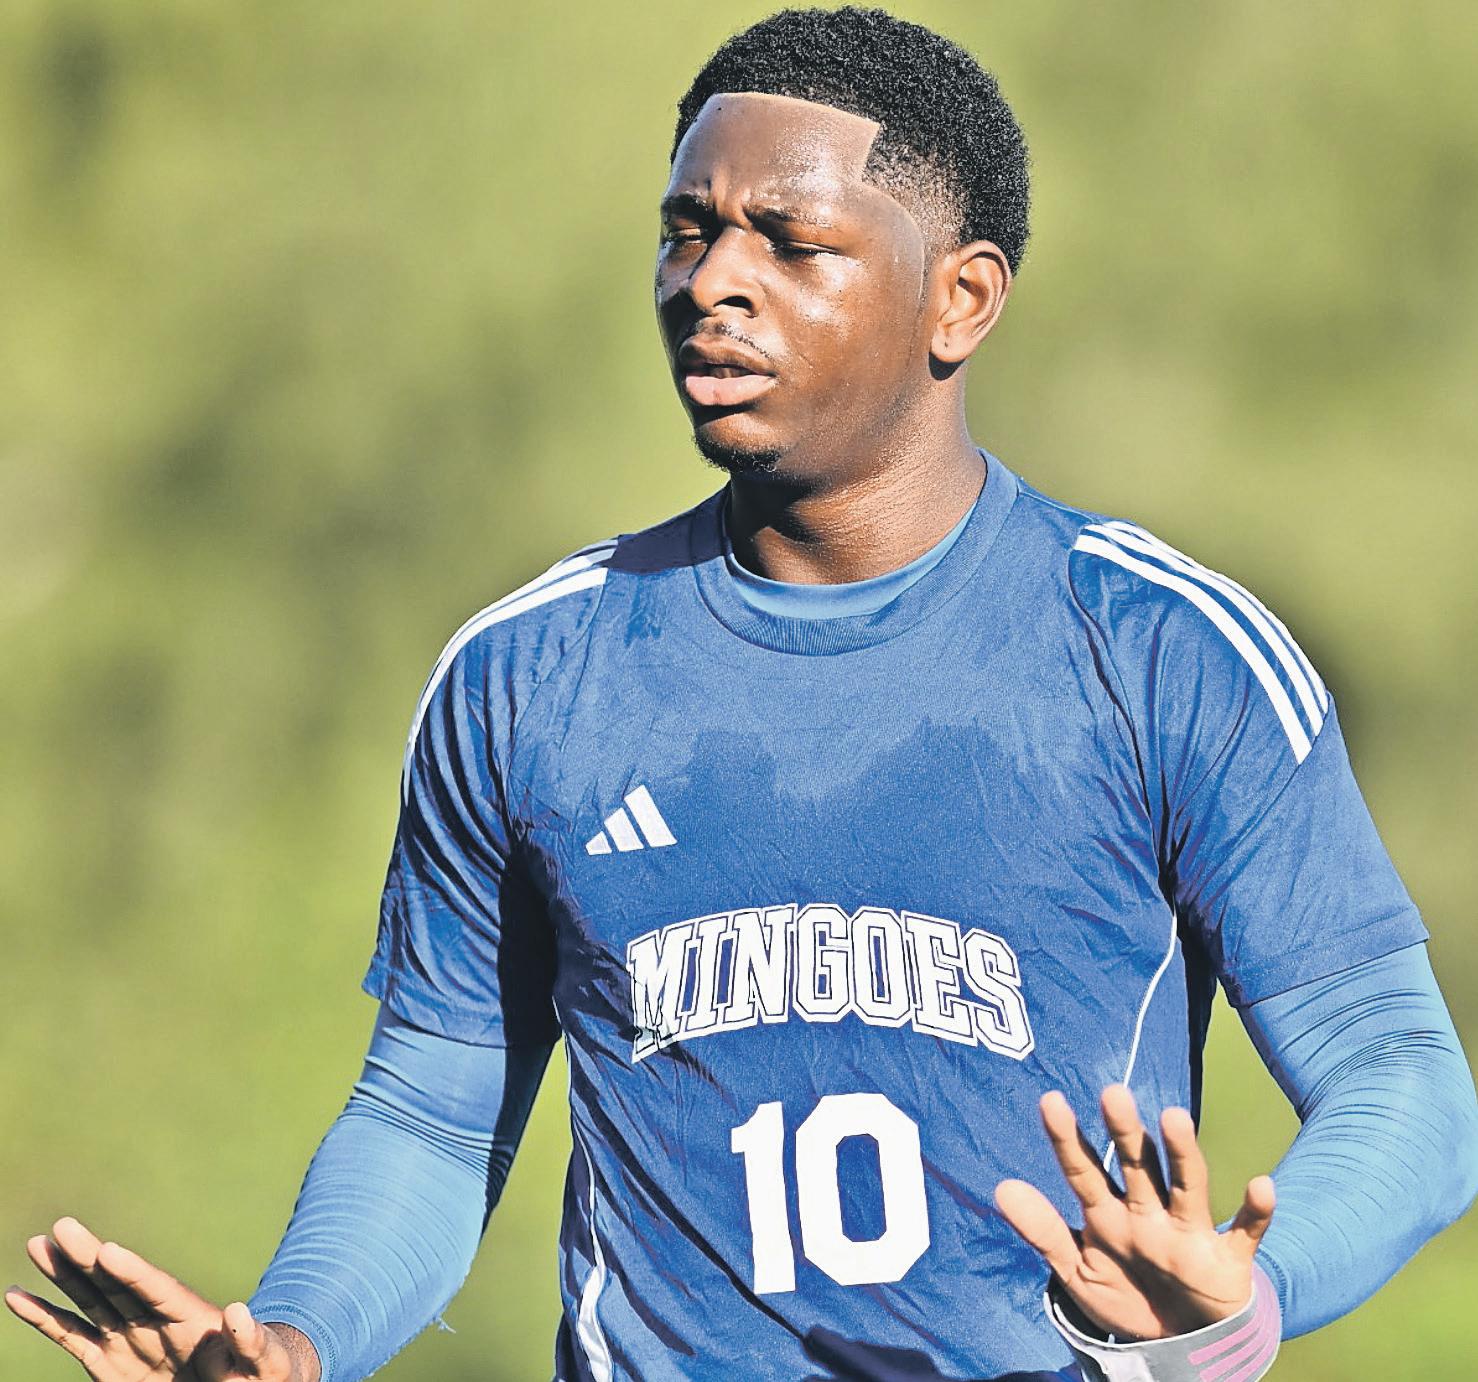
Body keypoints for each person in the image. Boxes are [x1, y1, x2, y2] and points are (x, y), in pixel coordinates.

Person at [8, 8, 1477, 1381]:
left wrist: (1243, 1294)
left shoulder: (1159, 650)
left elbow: (1402, 1079)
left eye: (792, 241)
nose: (712, 279)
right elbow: (430, 1116)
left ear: (959, 299)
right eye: (687, 230)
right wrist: (298, 1336)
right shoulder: (528, 674)